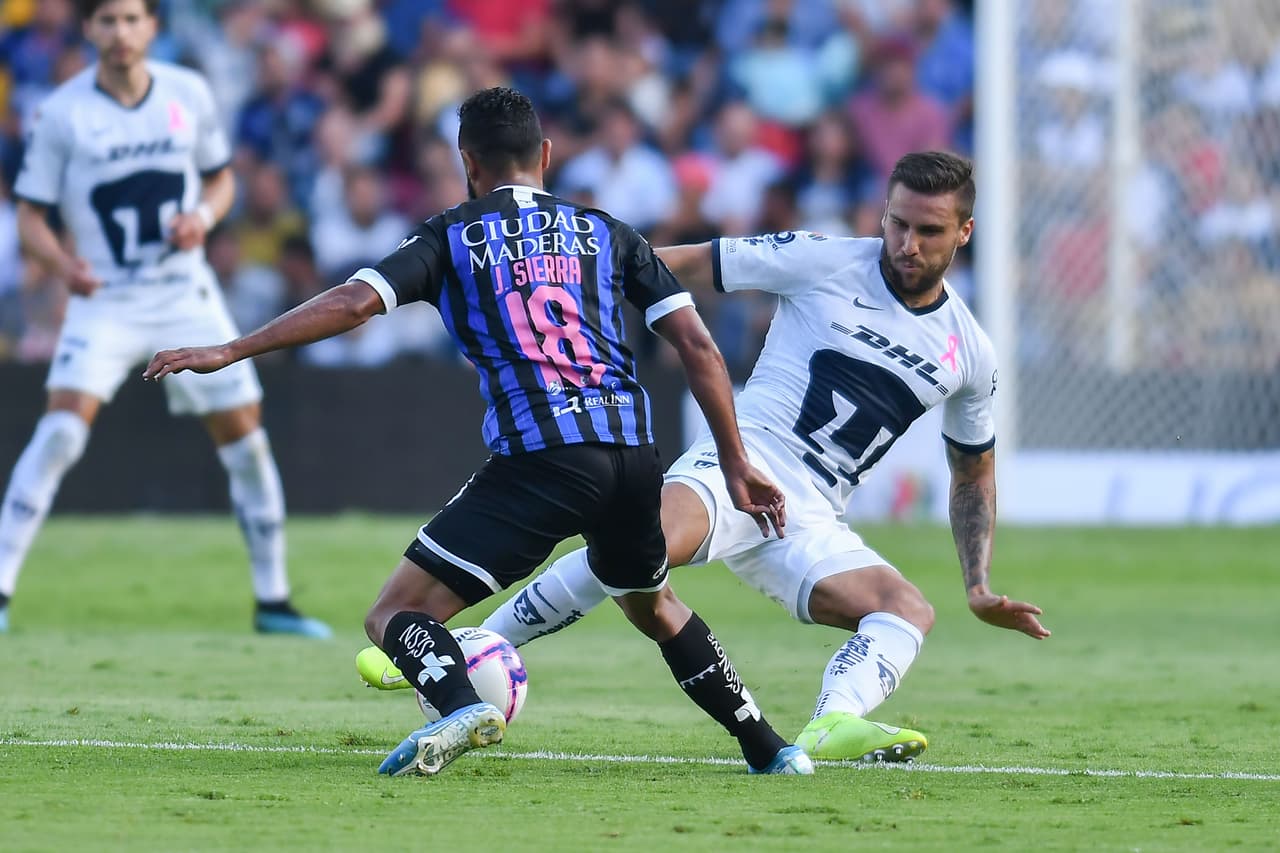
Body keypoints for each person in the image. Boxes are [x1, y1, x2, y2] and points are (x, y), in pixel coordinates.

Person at [144, 86, 811, 778]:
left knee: (395, 612)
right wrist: (735, 462)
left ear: (468, 161)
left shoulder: (451, 234)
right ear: (545, 155)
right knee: (656, 606)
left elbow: (354, 303)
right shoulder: (609, 232)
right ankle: (771, 748)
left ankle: (461, 705)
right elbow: (699, 346)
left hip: (544, 456)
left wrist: (232, 348)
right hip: (632, 455)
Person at [466, 151, 1051, 762]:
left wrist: (978, 586)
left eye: (928, 231)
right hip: (742, 462)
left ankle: (834, 720)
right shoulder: (823, 259)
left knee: (905, 610)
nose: (907, 244)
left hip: (810, 513)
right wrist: (570, 279)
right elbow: (685, 262)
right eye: (897, 223)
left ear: (964, 232)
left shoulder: (969, 352)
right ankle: (471, 647)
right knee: (642, 548)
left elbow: (973, 472)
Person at [0, 0, 329, 638]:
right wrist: (63, 265)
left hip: (184, 295)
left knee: (246, 442)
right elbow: (30, 217)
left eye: (132, 19)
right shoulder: (63, 112)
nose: (120, 33)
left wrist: (201, 219)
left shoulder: (187, 93)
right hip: (104, 297)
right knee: (61, 433)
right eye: (107, 20)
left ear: (153, 26)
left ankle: (274, 601)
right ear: (89, 29)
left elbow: (221, 181)